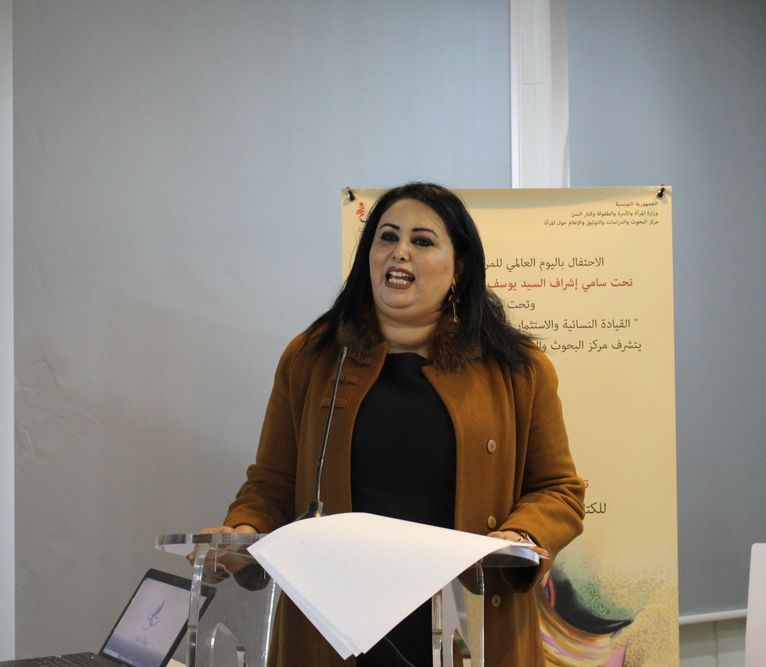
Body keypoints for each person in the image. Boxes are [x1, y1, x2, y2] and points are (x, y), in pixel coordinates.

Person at [201, 182, 585, 666]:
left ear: (459, 268)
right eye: (387, 237)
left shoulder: (517, 368)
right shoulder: (313, 357)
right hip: (333, 629)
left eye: (422, 241)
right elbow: (272, 483)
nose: (400, 251)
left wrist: (520, 536)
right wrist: (243, 529)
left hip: (468, 626)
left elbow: (558, 490)